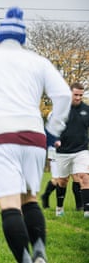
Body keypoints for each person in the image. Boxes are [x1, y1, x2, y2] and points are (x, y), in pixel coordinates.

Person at [0, 7, 71, 263]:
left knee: (9, 203)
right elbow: (64, 96)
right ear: (23, 40)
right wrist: (53, 129)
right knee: (30, 198)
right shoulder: (38, 61)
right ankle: (39, 250)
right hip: (34, 136)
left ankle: (26, 260)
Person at [53, 82, 89, 218]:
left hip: (81, 150)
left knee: (84, 177)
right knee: (63, 181)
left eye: (81, 95)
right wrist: (54, 139)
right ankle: (59, 208)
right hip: (63, 151)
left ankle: (87, 210)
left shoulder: (87, 110)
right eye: (76, 95)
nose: (78, 98)